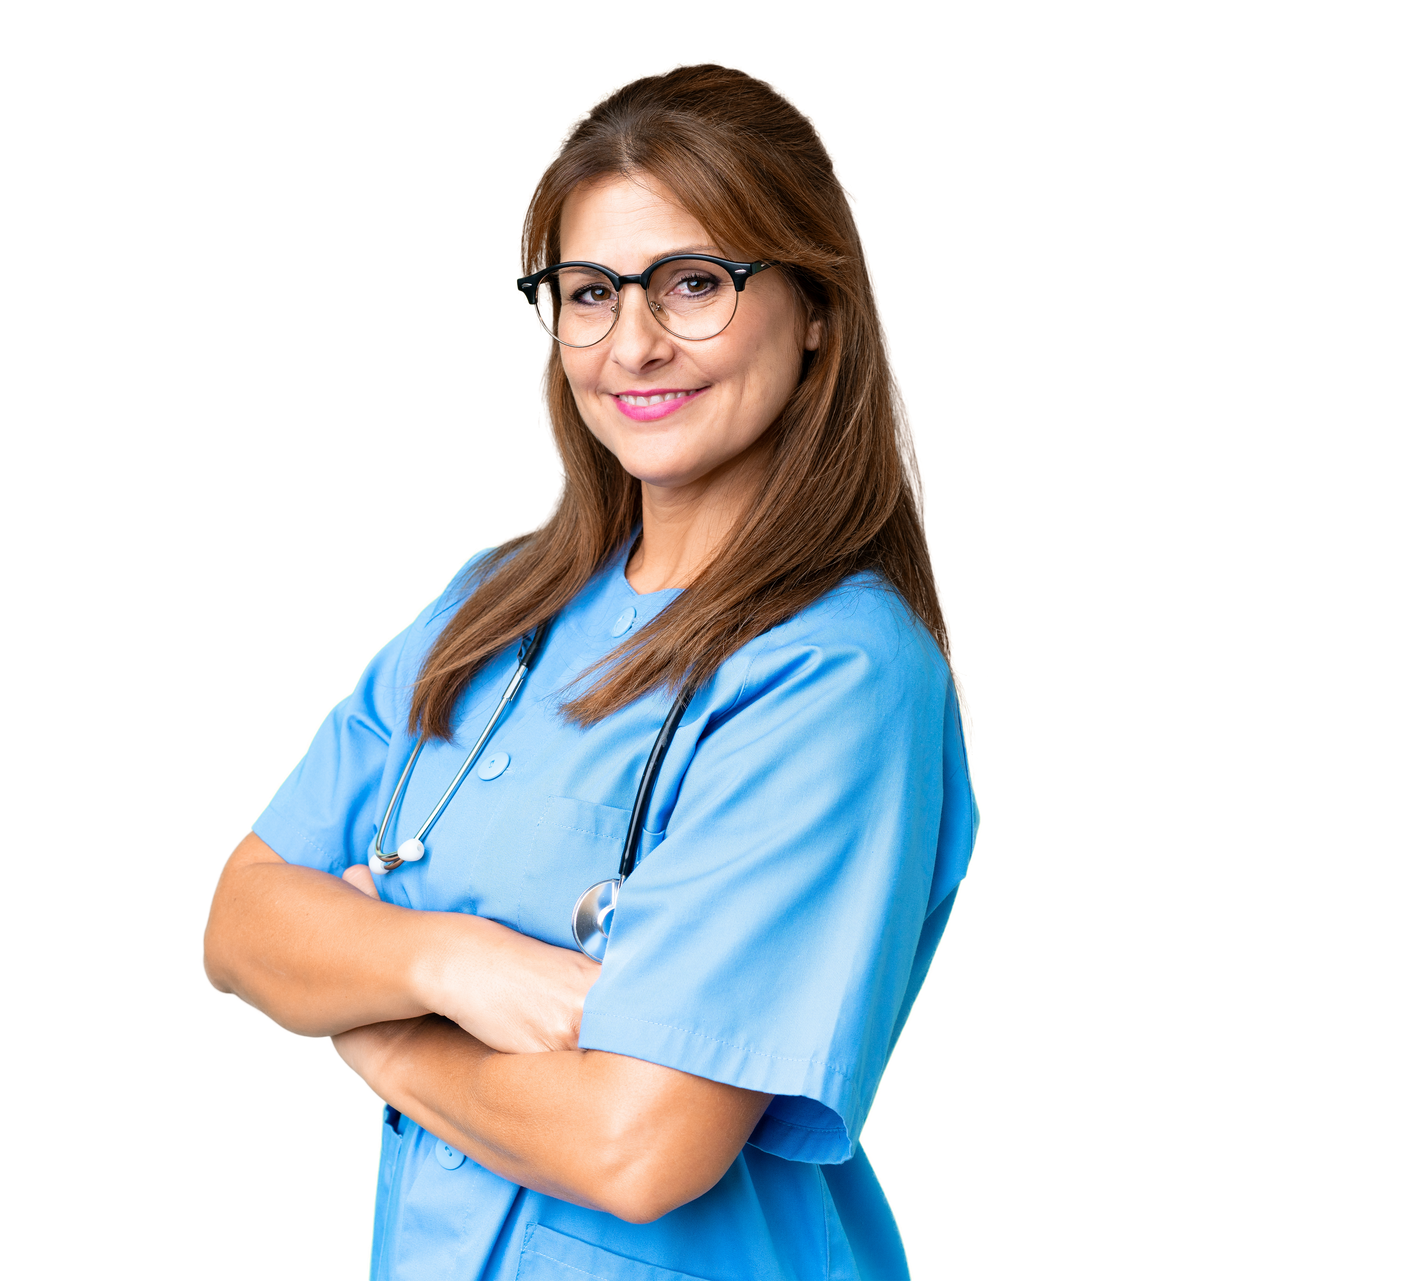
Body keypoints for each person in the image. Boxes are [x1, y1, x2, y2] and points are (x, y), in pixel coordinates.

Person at [201, 61, 979, 1281]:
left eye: (694, 284)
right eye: (588, 294)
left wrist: (381, 1041)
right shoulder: (486, 602)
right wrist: (450, 968)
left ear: (818, 304)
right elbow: (241, 921)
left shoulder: (836, 675)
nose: (634, 344)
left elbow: (640, 1147)